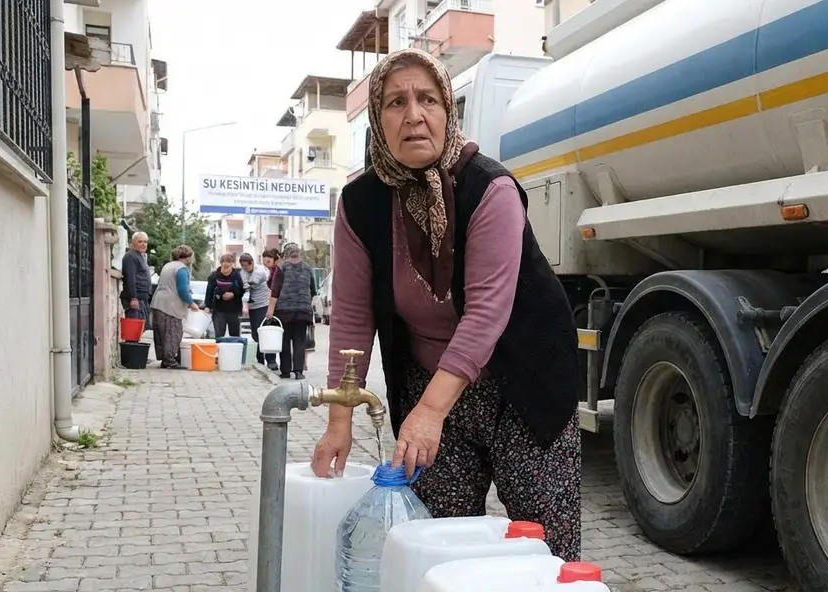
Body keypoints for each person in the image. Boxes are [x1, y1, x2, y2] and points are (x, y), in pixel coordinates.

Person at [309, 48, 582, 561]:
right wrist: (339, 422)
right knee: (437, 536)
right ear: (377, 120)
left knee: (543, 540)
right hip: (430, 378)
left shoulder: (489, 187)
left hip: (523, 377)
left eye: (427, 99)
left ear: (447, 111)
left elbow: (487, 314)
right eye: (395, 103)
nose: (413, 115)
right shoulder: (361, 202)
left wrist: (429, 412)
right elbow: (351, 316)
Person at [266, 243, 317, 380]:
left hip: (284, 311)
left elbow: (275, 291)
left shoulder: (281, 269)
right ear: (299, 254)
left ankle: (285, 371)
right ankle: (299, 372)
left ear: (286, 255)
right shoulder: (307, 269)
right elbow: (313, 291)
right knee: (299, 341)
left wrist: (270, 310)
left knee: (285, 340)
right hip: (303, 311)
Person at [150, 245, 200, 368]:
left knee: (161, 333)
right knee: (173, 332)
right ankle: (170, 360)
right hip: (170, 305)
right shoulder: (182, 269)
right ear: (187, 257)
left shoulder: (168, 266)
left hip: (158, 302)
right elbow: (182, 289)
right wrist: (191, 303)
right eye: (191, 256)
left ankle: (165, 359)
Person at [240, 252, 277, 369]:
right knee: (255, 334)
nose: (245, 268)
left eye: (246, 265)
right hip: (253, 307)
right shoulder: (243, 273)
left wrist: (245, 302)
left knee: (266, 332)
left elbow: (249, 286)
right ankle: (260, 359)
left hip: (263, 304)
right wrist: (245, 304)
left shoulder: (259, 272)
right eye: (242, 266)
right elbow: (245, 288)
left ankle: (271, 360)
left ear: (252, 263)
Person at [205, 253, 245, 338]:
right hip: (219, 309)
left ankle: (235, 350)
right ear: (220, 263)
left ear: (232, 263)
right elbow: (209, 292)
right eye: (223, 261)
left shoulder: (237, 275)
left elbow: (242, 290)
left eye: (228, 261)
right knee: (219, 335)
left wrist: (233, 294)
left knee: (235, 336)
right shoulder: (214, 276)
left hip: (233, 310)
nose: (225, 263)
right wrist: (207, 306)